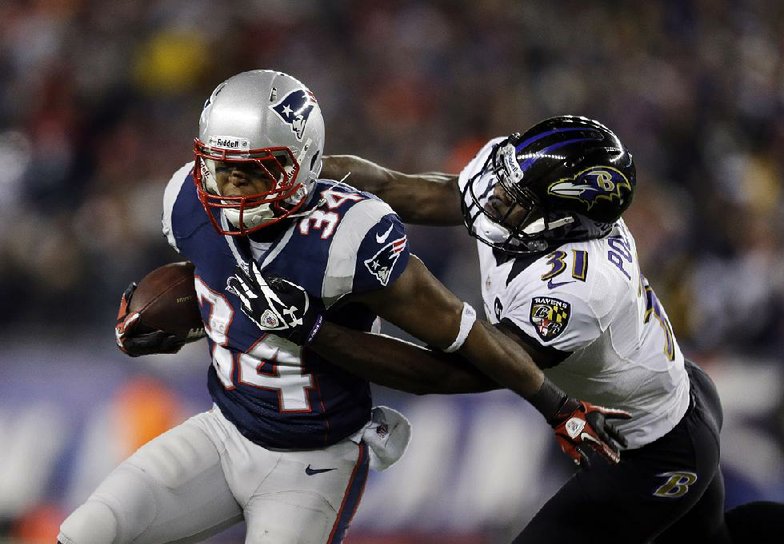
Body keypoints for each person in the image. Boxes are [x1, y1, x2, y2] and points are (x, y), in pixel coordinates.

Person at [57, 72, 627, 544]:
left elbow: (459, 337)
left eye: (250, 170)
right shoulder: (185, 196)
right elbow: (213, 277)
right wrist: (173, 315)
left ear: (302, 165)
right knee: (85, 532)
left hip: (313, 462)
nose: (228, 186)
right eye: (219, 165)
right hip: (222, 431)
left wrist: (555, 405)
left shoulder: (350, 234)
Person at [258, 115, 784, 543]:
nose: (495, 198)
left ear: (566, 221)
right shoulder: (522, 184)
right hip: (670, 399)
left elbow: (451, 371)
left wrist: (315, 332)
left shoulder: (577, 289)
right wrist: (285, 176)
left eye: (517, 200)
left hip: (653, 448)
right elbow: (405, 190)